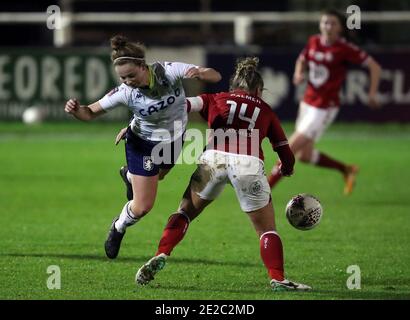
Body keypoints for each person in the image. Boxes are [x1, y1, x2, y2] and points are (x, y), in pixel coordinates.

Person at [134, 57, 311, 292]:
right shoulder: (265, 110)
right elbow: (284, 151)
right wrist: (287, 169)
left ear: (232, 86)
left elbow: (181, 106)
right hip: (248, 165)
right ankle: (278, 278)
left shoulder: (215, 98)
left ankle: (162, 253)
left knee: (184, 212)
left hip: (213, 159)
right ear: (259, 90)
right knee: (266, 230)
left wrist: (141, 121)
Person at [64, 35, 221, 259]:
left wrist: (201, 73)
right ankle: (118, 226)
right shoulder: (125, 92)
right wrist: (75, 109)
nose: (127, 81)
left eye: (131, 75)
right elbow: (89, 113)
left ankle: (129, 176)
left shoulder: (169, 71)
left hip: (174, 139)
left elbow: (216, 75)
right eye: (122, 77)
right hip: (143, 144)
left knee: (160, 175)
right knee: (142, 206)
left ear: (142, 65)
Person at [267, 9, 382, 195]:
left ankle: (263, 190)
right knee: (304, 156)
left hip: (324, 107)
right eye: (325, 22)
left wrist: (372, 93)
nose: (327, 26)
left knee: (290, 147)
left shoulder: (344, 48)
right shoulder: (314, 41)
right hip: (307, 102)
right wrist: (298, 73)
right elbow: (302, 59)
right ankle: (346, 169)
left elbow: (374, 67)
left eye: (332, 23)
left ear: (340, 28)